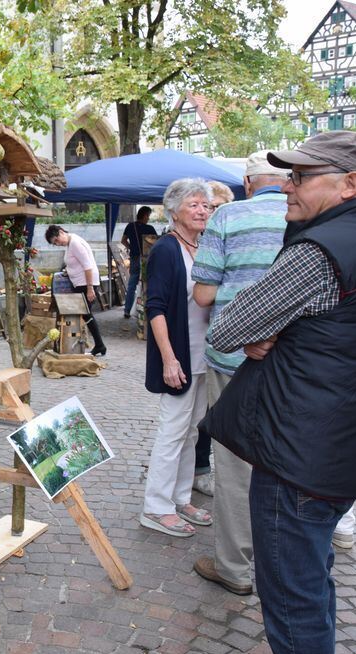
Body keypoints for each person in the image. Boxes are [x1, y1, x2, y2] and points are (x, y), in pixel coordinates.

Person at [203, 130, 356, 654]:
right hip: (336, 442)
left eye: (300, 177)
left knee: (292, 595)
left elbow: (227, 328)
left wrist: (268, 331)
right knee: (312, 579)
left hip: (299, 448)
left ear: (350, 185)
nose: (287, 188)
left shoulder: (319, 250)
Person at [187, 152, 289, 596]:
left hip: (234, 362)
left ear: (249, 182)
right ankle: (284, 563)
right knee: (288, 462)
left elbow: (204, 294)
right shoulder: (311, 215)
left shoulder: (228, 215)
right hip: (296, 366)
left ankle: (234, 566)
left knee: (234, 466)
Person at [138, 178, 213, 537]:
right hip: (180, 356)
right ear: (174, 211)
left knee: (192, 432)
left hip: (203, 357)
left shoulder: (202, 245)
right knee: (172, 431)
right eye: (194, 204)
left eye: (206, 205)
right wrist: (169, 359)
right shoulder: (167, 249)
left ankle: (180, 498)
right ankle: (155, 506)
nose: (202, 210)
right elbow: (155, 308)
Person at [190, 180, 237, 497]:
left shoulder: (227, 236)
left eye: (215, 207)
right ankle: (200, 468)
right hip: (199, 340)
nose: (209, 212)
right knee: (202, 414)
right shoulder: (193, 241)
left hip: (220, 338)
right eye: (206, 206)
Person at [45, 225, 107, 355]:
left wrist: (90, 288)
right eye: (55, 244)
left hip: (86, 283)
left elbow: (88, 266)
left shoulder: (75, 243)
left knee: (86, 313)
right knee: (85, 314)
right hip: (80, 282)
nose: (58, 243)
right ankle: (96, 344)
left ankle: (99, 344)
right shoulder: (70, 243)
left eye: (56, 240)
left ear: (61, 232)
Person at [120, 206, 158, 319]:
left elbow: (123, 240)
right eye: (148, 216)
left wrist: (132, 248)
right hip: (147, 259)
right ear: (145, 215)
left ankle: (127, 311)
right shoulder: (150, 228)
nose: (148, 218)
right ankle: (146, 309)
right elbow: (156, 243)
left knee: (132, 285)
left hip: (135, 258)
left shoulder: (130, 226)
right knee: (147, 284)